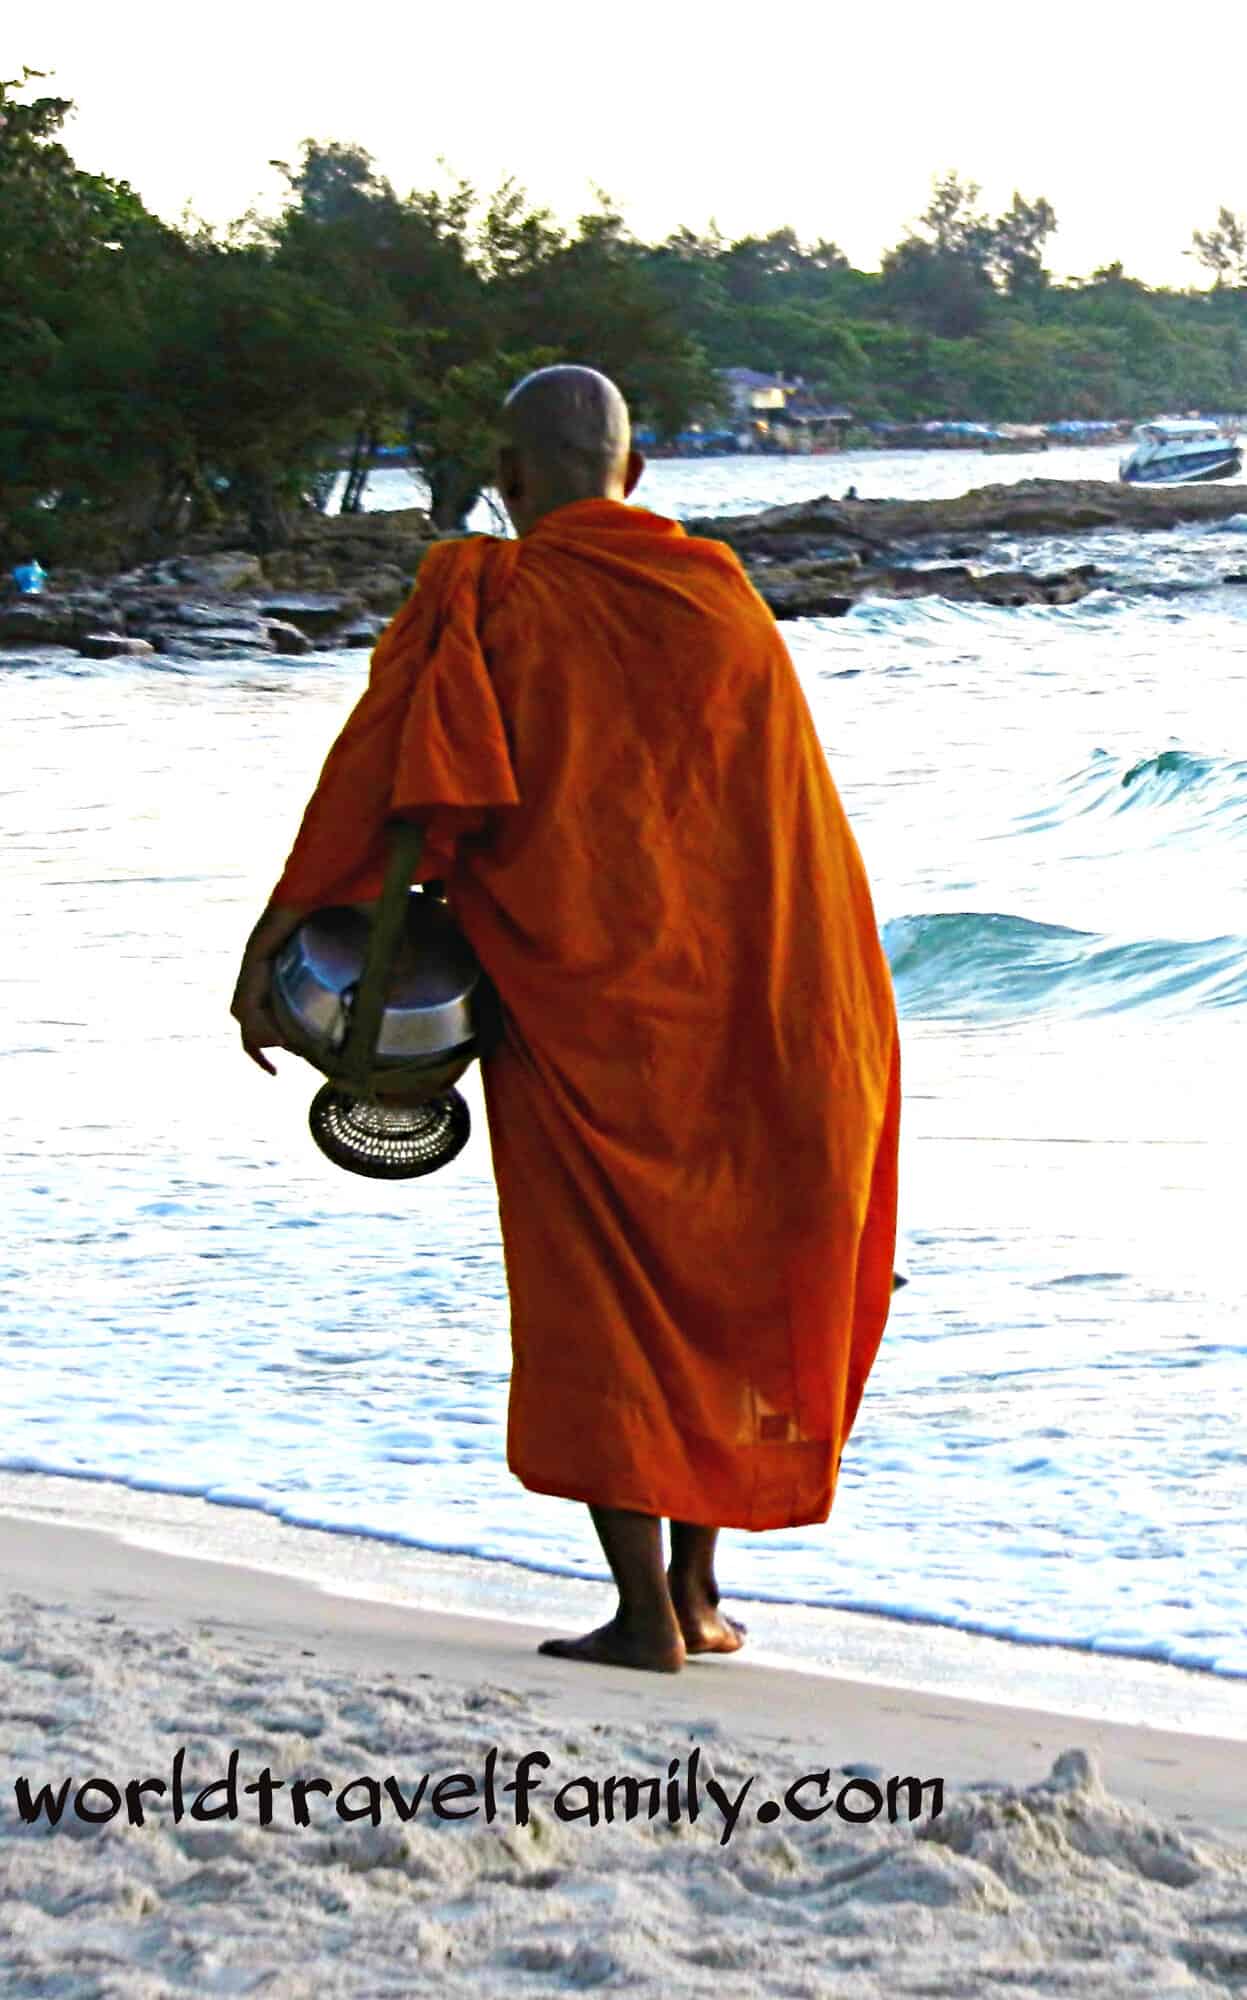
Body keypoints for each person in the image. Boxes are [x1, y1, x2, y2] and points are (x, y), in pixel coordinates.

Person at [231, 366, 900, 1675]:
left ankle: (646, 1612)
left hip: (581, 1010)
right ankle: (701, 1598)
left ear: (509, 474)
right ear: (635, 473)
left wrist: (279, 940)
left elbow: (394, 797)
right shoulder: (721, 600)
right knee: (740, 1288)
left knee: (603, 1300)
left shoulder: (484, 597)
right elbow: (781, 831)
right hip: (772, 1012)